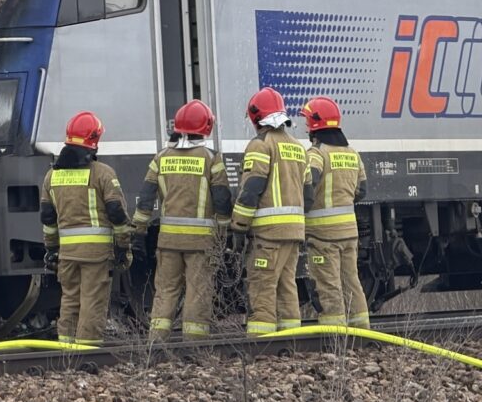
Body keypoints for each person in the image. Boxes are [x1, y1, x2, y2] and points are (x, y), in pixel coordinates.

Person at [132, 100, 232, 340]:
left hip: (168, 241)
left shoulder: (160, 158)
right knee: (198, 292)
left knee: (165, 290)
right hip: (201, 243)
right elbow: (222, 200)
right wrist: (225, 230)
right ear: (206, 127)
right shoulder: (212, 159)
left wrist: (139, 230)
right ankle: (195, 346)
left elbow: (145, 198)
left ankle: (156, 342)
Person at [40, 111, 132, 345]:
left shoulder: (51, 176)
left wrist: (51, 249)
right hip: (96, 254)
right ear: (94, 140)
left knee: (70, 299)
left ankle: (66, 349)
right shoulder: (103, 174)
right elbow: (117, 215)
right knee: (93, 300)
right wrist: (123, 248)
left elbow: (48, 219)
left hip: (67, 255)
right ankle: (87, 350)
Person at [230, 87, 314, 336]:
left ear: (257, 118)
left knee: (262, 284)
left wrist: (238, 226)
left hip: (268, 233)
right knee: (287, 285)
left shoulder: (260, 146)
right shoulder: (299, 147)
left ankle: (261, 340)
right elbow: (308, 195)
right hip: (294, 231)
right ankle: (290, 339)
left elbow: (251, 188)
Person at [300, 96, 370, 329]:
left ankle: (335, 337)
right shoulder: (352, 153)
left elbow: (309, 187)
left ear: (313, 126)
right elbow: (362, 191)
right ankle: (362, 331)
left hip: (322, 235)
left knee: (328, 284)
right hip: (349, 232)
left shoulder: (316, 154)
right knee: (352, 281)